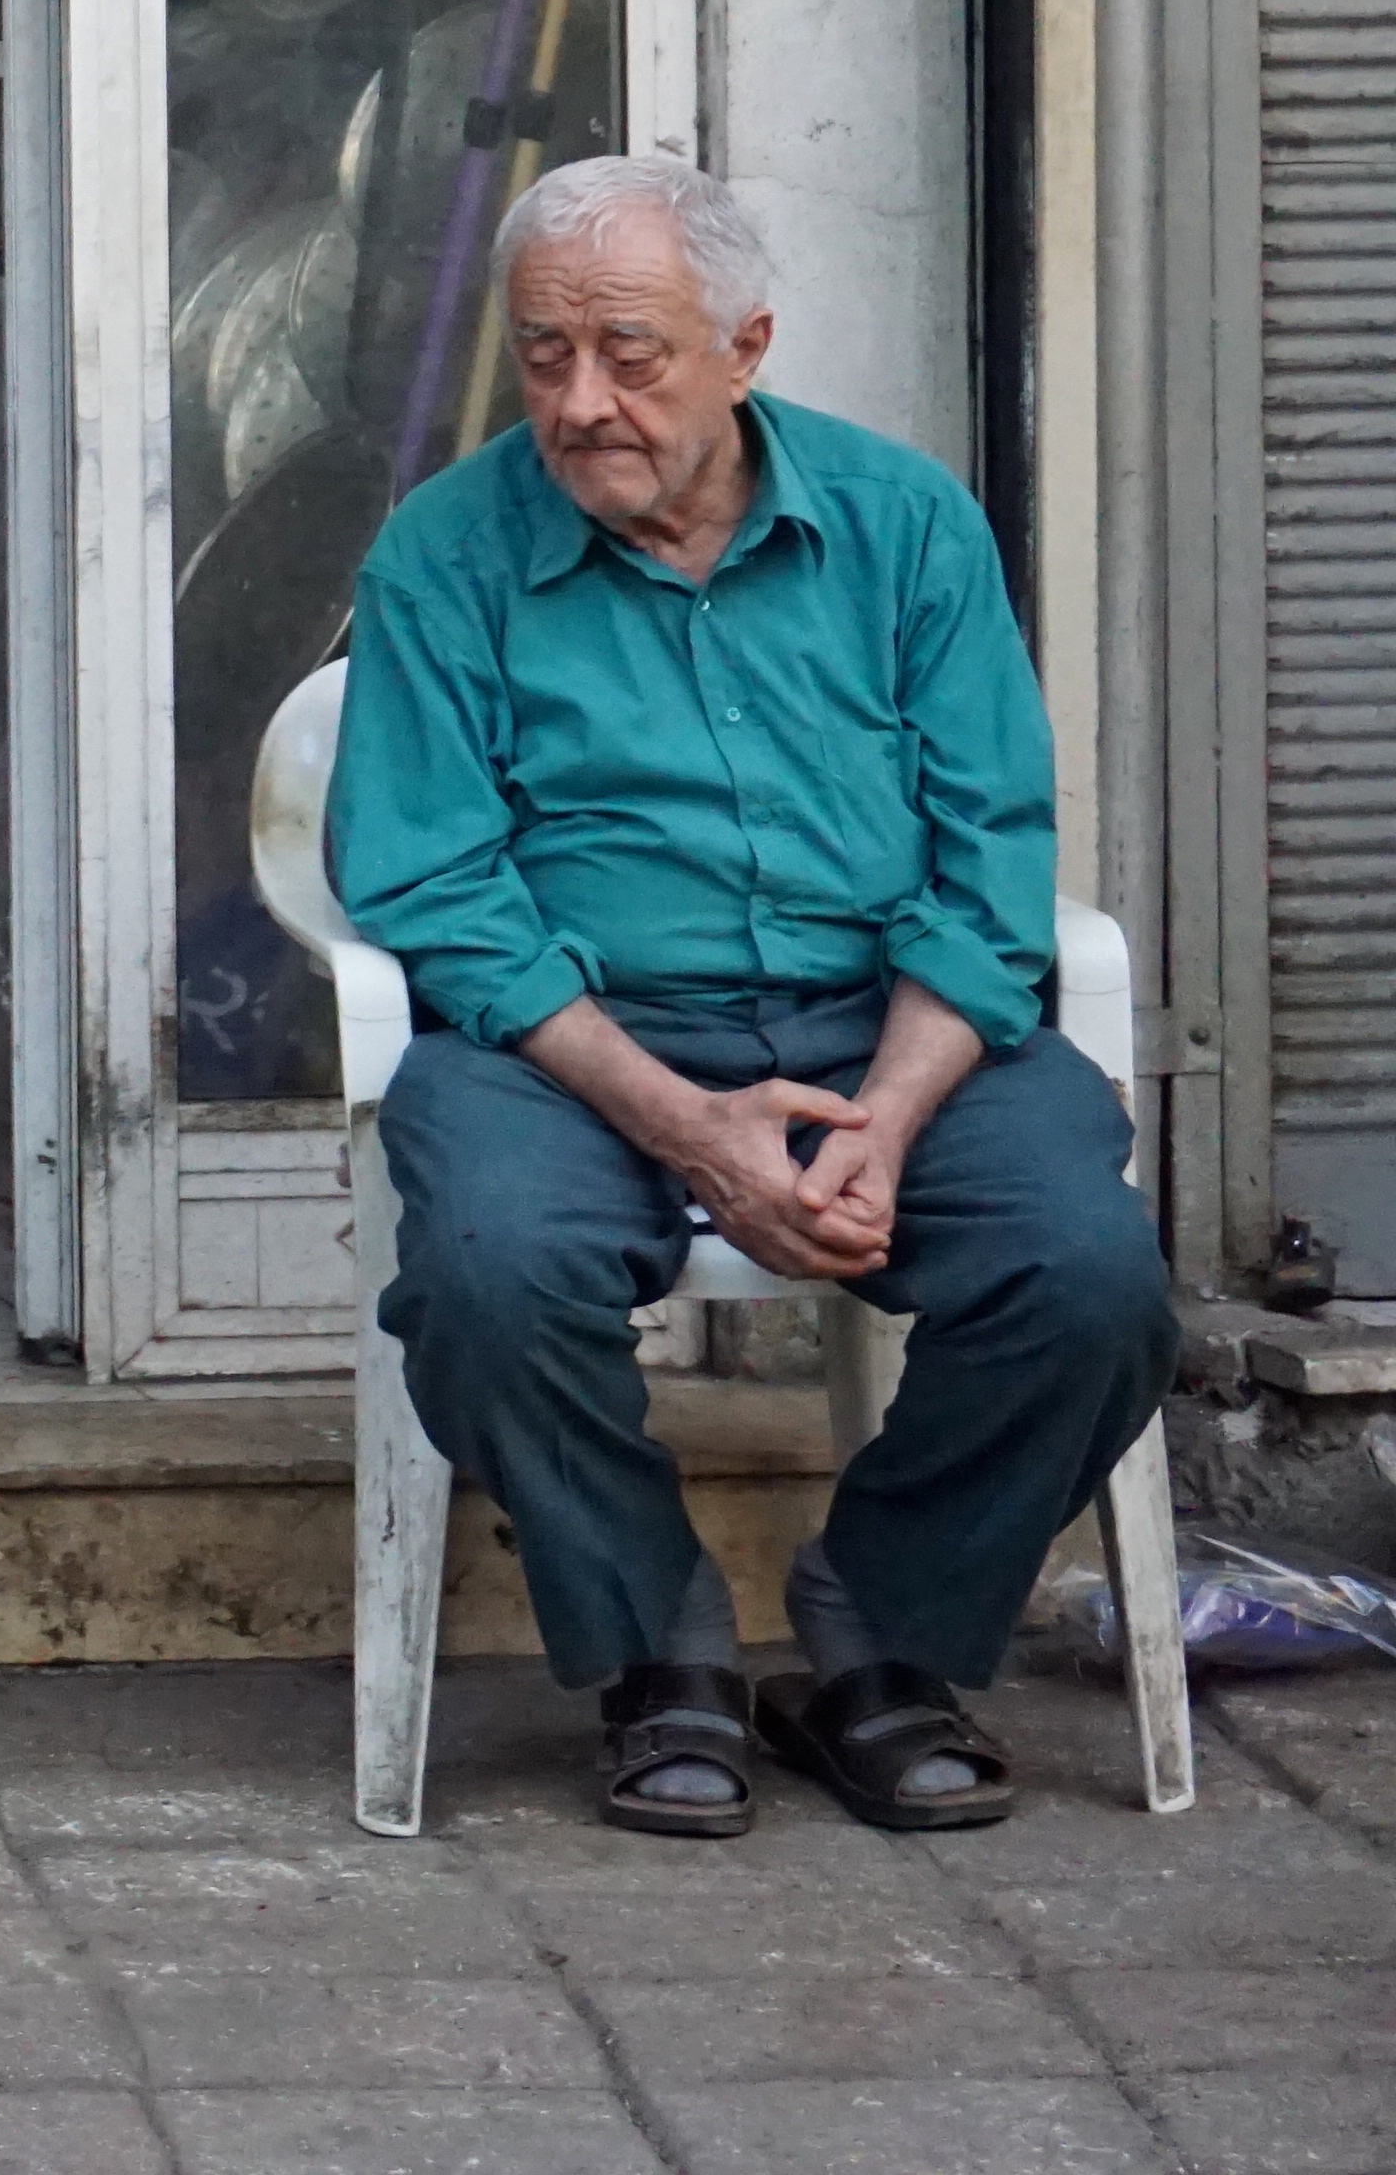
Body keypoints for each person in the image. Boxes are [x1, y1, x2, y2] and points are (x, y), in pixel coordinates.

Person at [328, 149, 1176, 1840]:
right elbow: (431, 885)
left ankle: (875, 1628)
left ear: (747, 344)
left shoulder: (906, 524)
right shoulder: (444, 554)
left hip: (892, 1029)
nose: (581, 401)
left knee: (1091, 1278)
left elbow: (989, 859)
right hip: (576, 1046)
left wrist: (893, 1111)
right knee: (491, 1279)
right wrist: (690, 1127)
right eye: (545, 352)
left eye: (631, 352)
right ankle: (663, 1644)